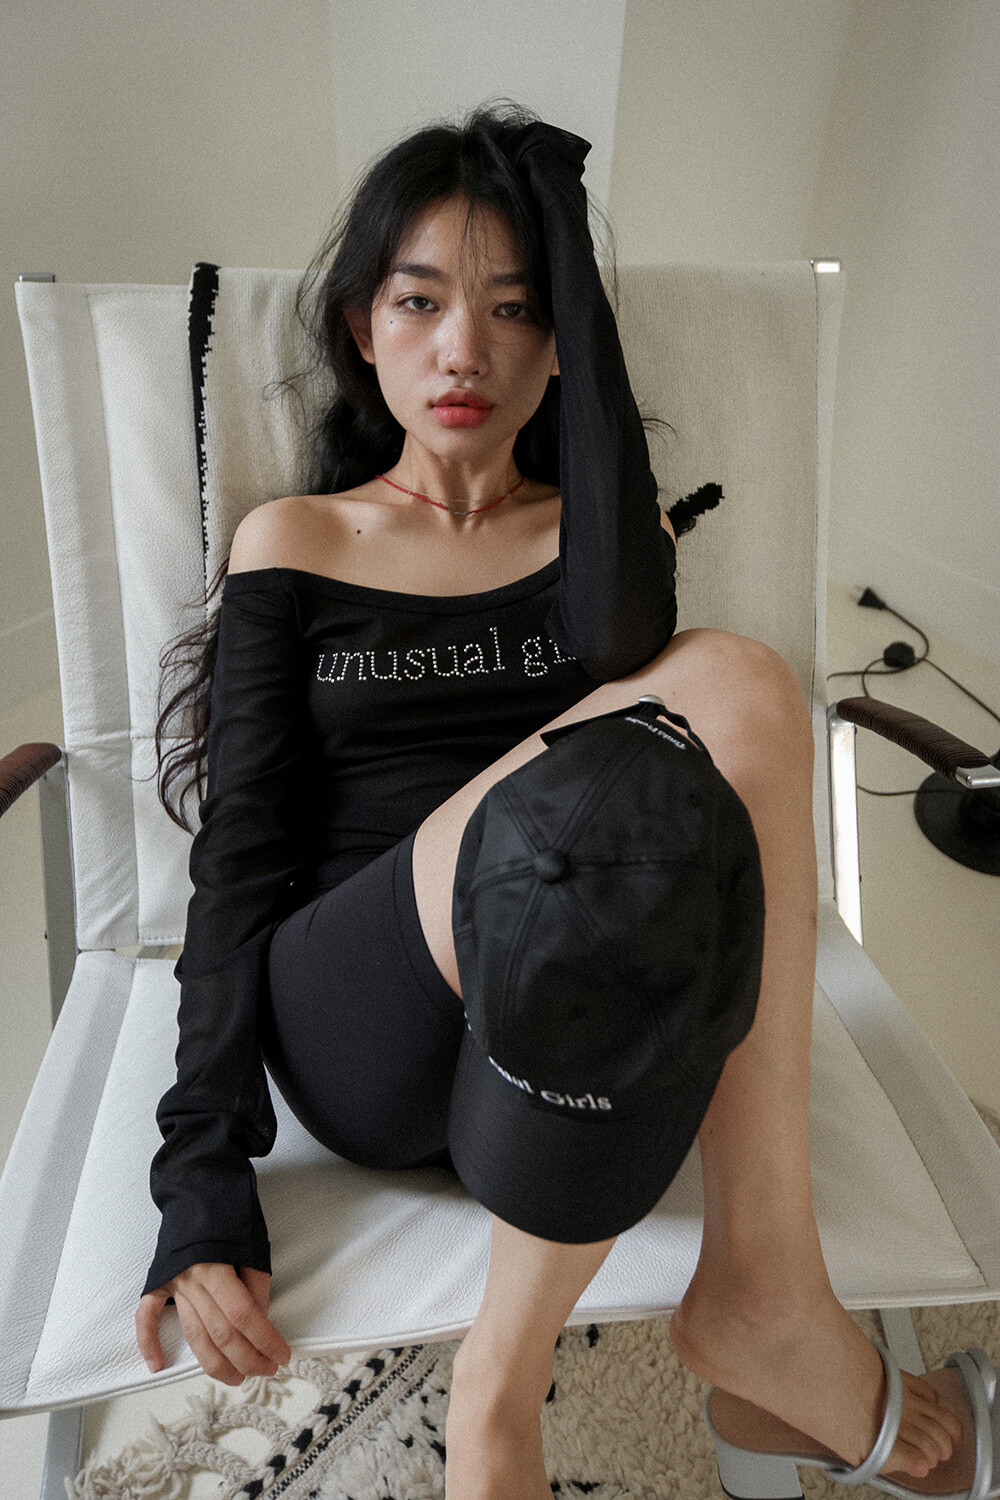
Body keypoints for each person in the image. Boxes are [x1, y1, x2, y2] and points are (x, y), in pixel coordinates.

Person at [134, 103, 969, 1500]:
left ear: (565, 339)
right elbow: (239, 862)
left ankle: (725, 1308)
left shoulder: (597, 547)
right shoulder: (299, 540)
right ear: (361, 328)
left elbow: (635, 680)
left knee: (655, 809)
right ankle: (533, 1392)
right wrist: (200, 1176)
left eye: (517, 309)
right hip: (365, 1020)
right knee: (727, 693)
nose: (464, 350)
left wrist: (572, 256)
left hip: (564, 1035)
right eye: (420, 301)